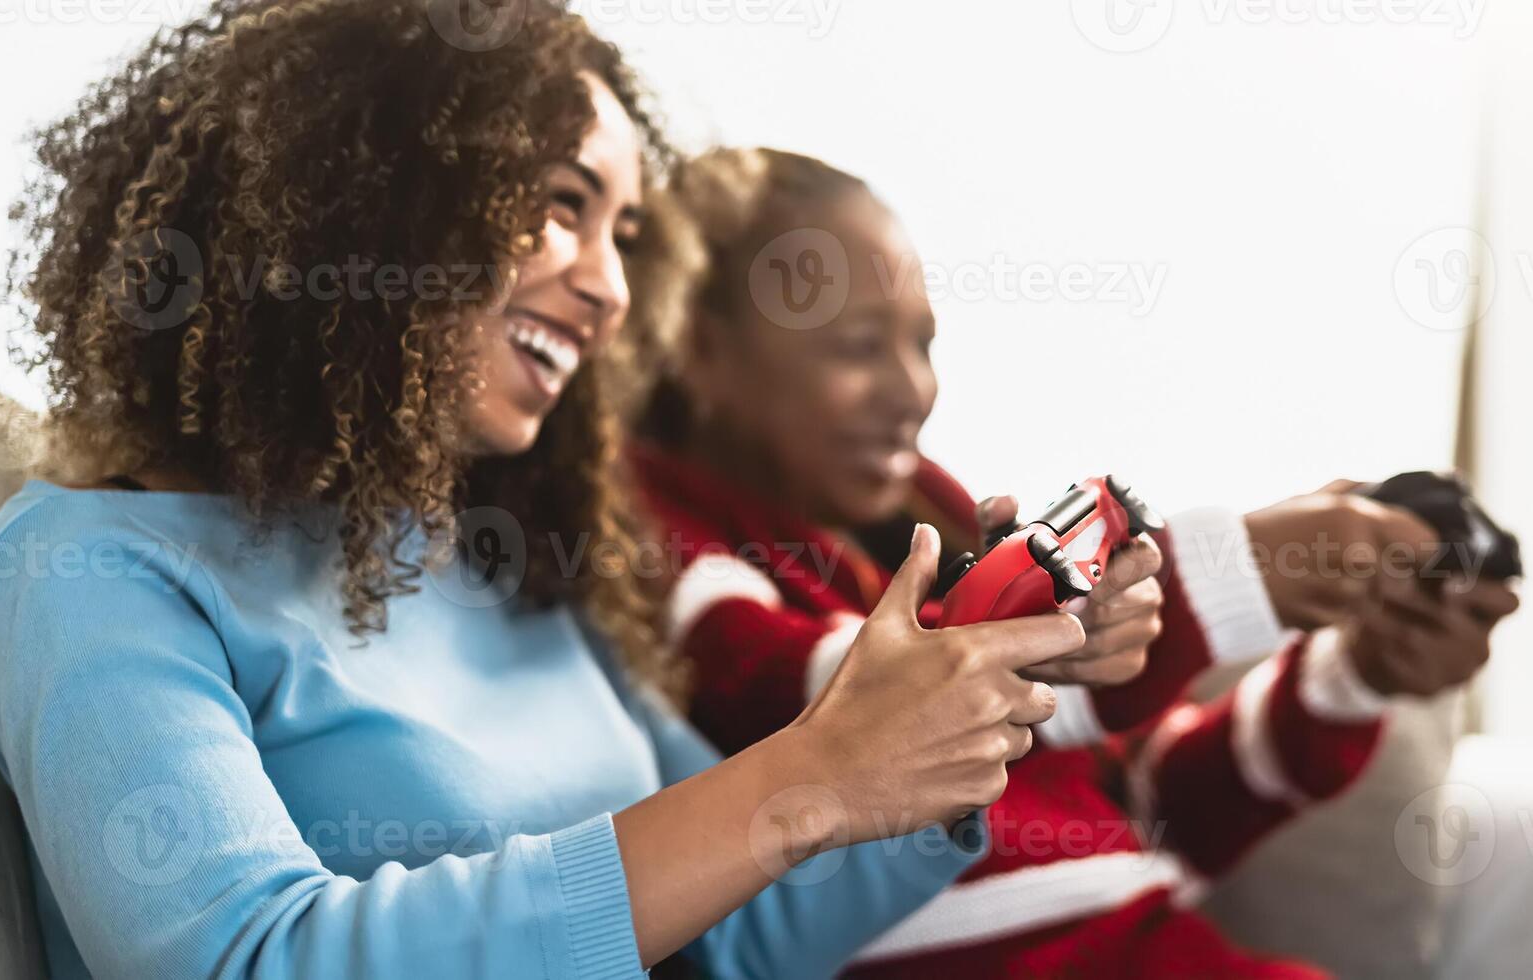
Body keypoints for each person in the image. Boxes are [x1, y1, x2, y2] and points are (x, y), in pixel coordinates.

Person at [0, 6, 1093, 977]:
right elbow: (253, 955)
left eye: (624, 235)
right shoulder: (88, 563)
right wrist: (805, 771)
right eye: (562, 204)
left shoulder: (497, 564)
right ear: (367, 199)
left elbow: (743, 943)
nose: (611, 288)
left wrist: (968, 689)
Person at [629, 147, 1522, 977]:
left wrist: (1346, 677)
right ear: (694, 349)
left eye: (923, 345)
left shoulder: (919, 529)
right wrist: (1228, 571)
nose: (914, 392)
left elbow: (1162, 810)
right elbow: (852, 703)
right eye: (860, 347)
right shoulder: (666, 560)